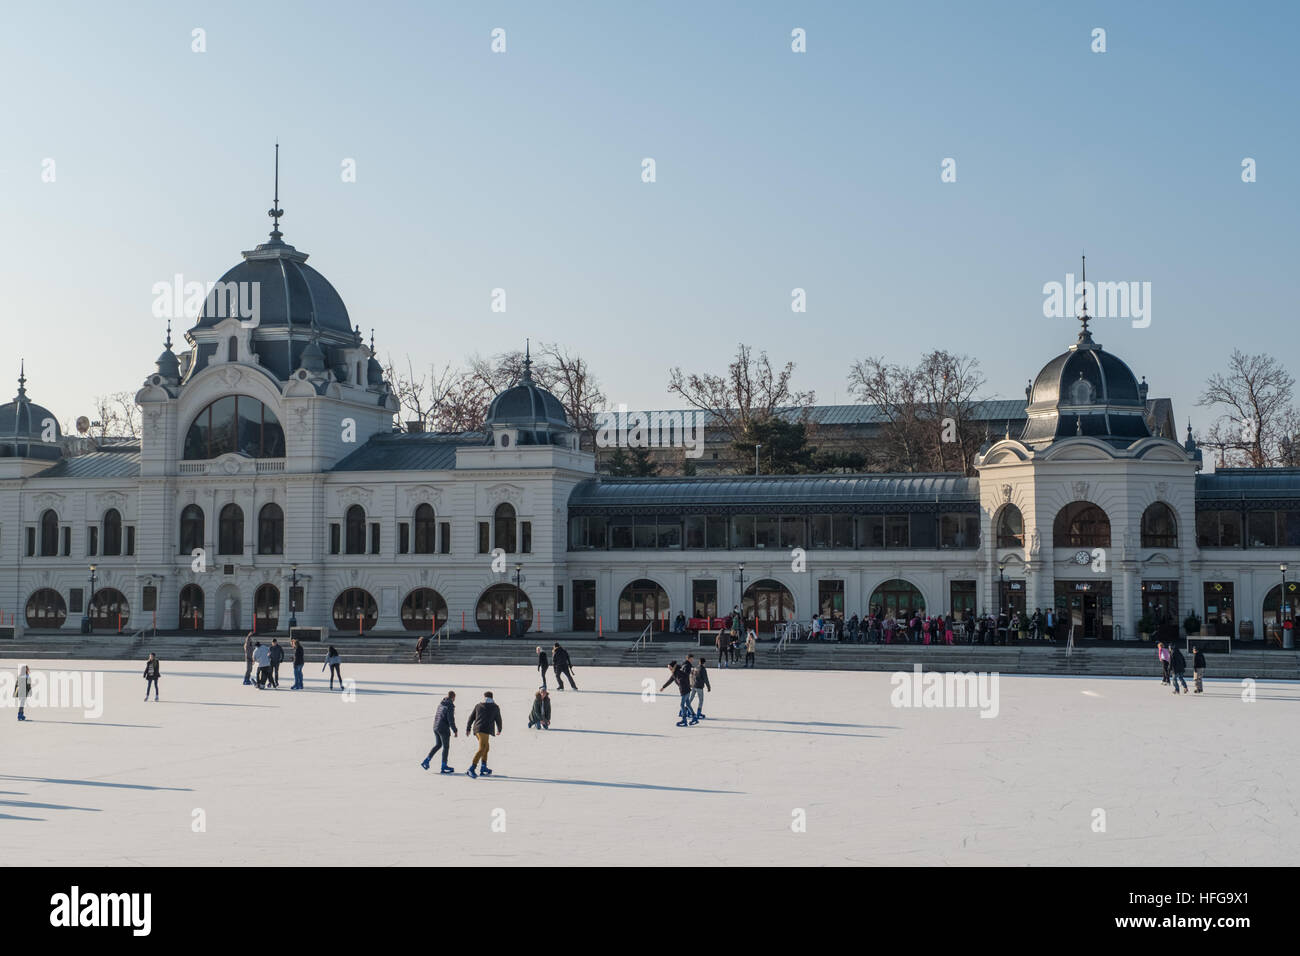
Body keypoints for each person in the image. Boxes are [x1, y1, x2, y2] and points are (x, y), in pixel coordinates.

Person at [465, 691, 503, 778]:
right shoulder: (495, 707)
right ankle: (471, 768)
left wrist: (468, 728)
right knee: (482, 748)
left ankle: (483, 767)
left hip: (477, 729)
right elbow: (498, 719)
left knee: (486, 747)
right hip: (484, 730)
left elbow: (471, 717)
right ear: (492, 698)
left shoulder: (478, 705)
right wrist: (499, 729)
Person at [421, 691, 458, 773]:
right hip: (443, 728)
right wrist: (455, 730)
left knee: (438, 745)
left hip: (436, 726)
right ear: (453, 697)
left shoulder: (441, 704)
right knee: (446, 747)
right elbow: (450, 719)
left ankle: (426, 761)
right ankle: (444, 766)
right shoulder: (450, 705)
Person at [660, 660, 695, 727]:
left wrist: (682, 683)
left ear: (674, 667)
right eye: (669, 668)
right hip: (686, 690)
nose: (669, 669)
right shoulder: (674, 674)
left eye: (670, 668)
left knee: (682, 705)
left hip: (685, 691)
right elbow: (669, 681)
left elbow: (685, 679)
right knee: (687, 704)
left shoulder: (679, 673)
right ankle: (694, 717)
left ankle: (684, 720)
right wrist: (663, 687)